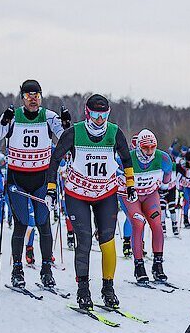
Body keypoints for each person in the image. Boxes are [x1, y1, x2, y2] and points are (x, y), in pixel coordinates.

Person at [47, 94, 135, 312]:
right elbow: (55, 159)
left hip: (105, 193)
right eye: (95, 114)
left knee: (107, 241)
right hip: (77, 194)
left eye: (103, 114)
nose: (99, 119)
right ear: (87, 113)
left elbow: (126, 158)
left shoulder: (114, 133)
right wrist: (51, 189)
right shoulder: (74, 132)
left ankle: (108, 289)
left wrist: (131, 184)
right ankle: (83, 290)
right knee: (84, 240)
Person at [0, 80, 67, 290]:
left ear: (41, 96)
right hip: (18, 179)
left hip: (41, 178)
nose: (33, 100)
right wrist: (4, 122)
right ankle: (17, 270)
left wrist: (67, 126)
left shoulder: (49, 116)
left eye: (37, 95)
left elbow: (64, 138)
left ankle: (46, 270)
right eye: (28, 96)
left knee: (43, 223)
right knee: (21, 223)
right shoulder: (14, 117)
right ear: (22, 98)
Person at [125, 130, 173, 283]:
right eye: (146, 148)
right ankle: (139, 266)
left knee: (157, 225)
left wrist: (164, 188)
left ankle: (158, 266)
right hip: (131, 196)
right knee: (138, 224)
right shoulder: (127, 158)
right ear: (138, 146)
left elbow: (167, 179)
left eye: (153, 147)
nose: (150, 151)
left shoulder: (163, 158)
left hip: (150, 195)